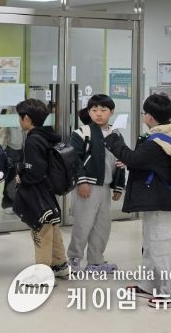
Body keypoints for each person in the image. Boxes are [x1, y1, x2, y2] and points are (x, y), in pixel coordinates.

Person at [104, 93, 171, 306]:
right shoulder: (167, 135)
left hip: (161, 202)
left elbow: (133, 158)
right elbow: (143, 162)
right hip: (158, 199)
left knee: (162, 248)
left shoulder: (158, 142)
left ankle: (170, 293)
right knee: (151, 245)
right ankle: (149, 285)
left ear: (149, 117)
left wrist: (112, 138)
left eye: (145, 113)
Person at [67, 94, 125, 274]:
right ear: (89, 112)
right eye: (94, 110)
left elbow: (121, 160)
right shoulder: (81, 133)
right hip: (87, 187)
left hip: (106, 187)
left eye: (103, 110)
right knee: (83, 225)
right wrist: (81, 181)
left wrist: (118, 186)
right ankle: (74, 260)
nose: (98, 114)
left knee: (102, 226)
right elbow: (74, 159)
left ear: (111, 112)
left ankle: (96, 262)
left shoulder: (116, 134)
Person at [13, 99, 69, 278]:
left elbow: (35, 171)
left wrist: (21, 177)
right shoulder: (47, 135)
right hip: (48, 190)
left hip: (37, 192)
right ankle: (60, 265)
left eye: (20, 117)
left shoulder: (33, 140)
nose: (19, 121)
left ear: (27, 119)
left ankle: (43, 275)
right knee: (52, 226)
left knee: (41, 231)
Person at [0, 105, 23, 213]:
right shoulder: (7, 110)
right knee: (11, 176)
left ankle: (16, 202)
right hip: (10, 147)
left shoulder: (23, 108)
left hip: (23, 147)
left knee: (21, 176)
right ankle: (8, 202)